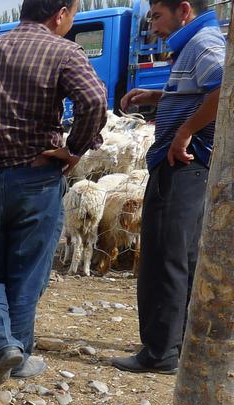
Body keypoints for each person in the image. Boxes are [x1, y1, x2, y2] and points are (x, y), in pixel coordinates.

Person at [0, 0, 107, 388]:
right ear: (61, 14)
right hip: (35, 180)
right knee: (27, 270)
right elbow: (94, 100)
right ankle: (16, 353)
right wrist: (75, 149)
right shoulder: (63, 50)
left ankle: (1, 345)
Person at [111, 0, 224, 374]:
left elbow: (224, 89)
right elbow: (201, 91)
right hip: (187, 166)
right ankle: (179, 342)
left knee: (164, 257)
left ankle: (160, 352)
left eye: (157, 16)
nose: (154, 28)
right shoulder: (194, 43)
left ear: (184, 10)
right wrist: (160, 97)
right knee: (182, 255)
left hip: (183, 165)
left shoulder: (202, 43)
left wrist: (185, 132)